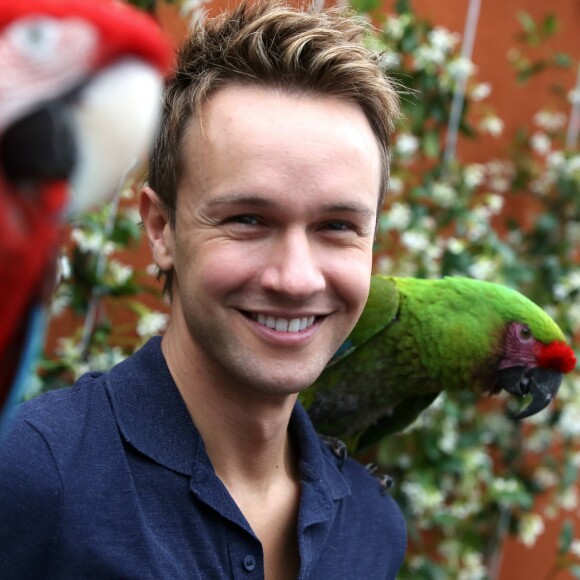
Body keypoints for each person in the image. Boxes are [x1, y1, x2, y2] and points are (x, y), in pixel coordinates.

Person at [0, 0, 406, 577]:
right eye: (247, 219)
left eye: (337, 227)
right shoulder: (31, 475)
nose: (295, 278)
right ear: (161, 230)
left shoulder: (374, 528)